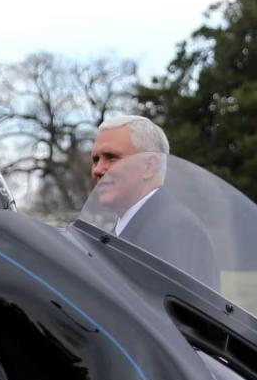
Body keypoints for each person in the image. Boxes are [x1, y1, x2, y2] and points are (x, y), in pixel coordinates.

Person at [88, 114, 220, 291]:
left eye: (111, 157)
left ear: (149, 167)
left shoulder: (177, 228)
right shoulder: (123, 228)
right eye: (95, 160)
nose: (98, 169)